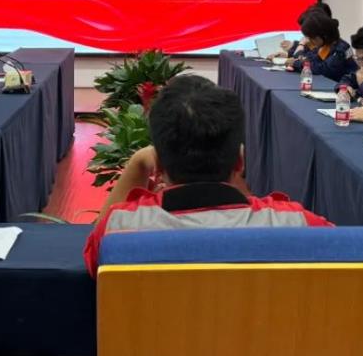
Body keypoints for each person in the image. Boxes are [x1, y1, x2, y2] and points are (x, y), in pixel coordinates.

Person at [83, 75, 331, 275]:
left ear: (157, 166)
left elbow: (93, 250)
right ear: (240, 162)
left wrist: (138, 163)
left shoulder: (118, 230)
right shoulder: (299, 225)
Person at [285, 12, 359, 83]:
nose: (310, 40)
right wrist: (296, 61)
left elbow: (324, 70)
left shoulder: (341, 48)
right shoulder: (324, 46)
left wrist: (297, 63)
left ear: (324, 35)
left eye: (312, 38)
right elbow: (309, 59)